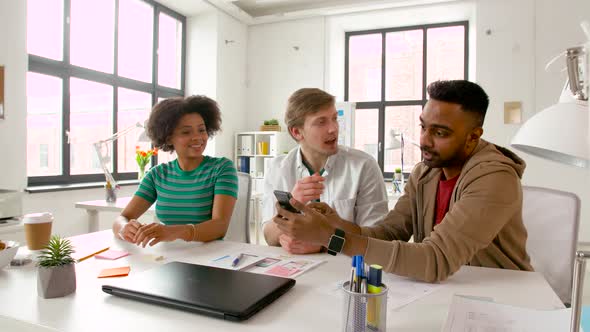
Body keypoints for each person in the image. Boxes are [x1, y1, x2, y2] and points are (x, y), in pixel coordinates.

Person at [273, 80, 533, 282]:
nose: (424, 141)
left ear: (473, 137)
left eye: (440, 132)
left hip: (499, 293)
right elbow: (388, 233)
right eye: (423, 127)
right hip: (445, 289)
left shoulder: (495, 177)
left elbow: (436, 259)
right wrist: (335, 223)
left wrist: (330, 237)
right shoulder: (425, 172)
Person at [262, 88, 389, 254]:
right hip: (293, 268)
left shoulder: (364, 166)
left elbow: (377, 239)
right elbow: (269, 237)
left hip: (346, 271)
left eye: (334, 119)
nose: (333, 129)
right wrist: (291, 205)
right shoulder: (277, 168)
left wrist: (325, 243)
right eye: (321, 122)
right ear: (297, 132)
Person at [113, 96, 238, 247]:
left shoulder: (222, 168)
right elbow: (122, 218)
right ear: (169, 138)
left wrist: (173, 232)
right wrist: (124, 228)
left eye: (201, 130)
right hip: (168, 254)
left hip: (209, 256)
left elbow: (220, 227)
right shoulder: (157, 175)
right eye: (186, 132)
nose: (197, 137)